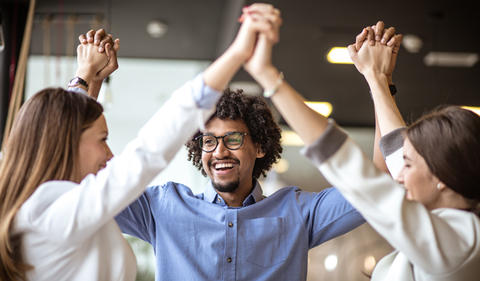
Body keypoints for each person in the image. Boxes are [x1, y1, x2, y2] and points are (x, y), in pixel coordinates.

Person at [0, 6, 267, 280]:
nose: (109, 153)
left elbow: (73, 129)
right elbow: (147, 152)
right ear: (67, 143)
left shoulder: (57, 205)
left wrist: (86, 77)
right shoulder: (51, 213)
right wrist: (237, 53)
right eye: (103, 140)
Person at [114, 4, 364, 281]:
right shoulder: (162, 207)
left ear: (260, 147)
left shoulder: (298, 212)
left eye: (232, 139)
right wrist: (86, 81)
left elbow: (373, 188)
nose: (219, 151)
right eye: (208, 141)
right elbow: (86, 181)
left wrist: (379, 83)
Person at [245, 15, 480, 281]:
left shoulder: (460, 242)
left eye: (409, 165)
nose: (398, 175)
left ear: (442, 177)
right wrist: (379, 78)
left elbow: (353, 169)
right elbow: (394, 146)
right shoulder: (452, 228)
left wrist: (269, 77)